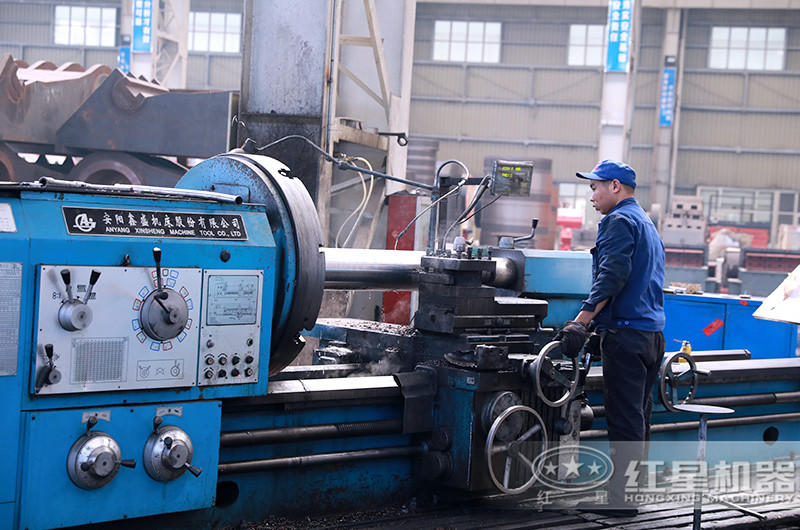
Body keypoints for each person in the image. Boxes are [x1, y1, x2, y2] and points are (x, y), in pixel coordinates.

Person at [555, 159, 666, 516]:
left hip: (627, 335)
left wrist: (580, 322)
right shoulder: (644, 221)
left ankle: (622, 501)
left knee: (624, 419)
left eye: (595, 187)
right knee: (639, 418)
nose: (591, 194)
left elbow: (612, 275)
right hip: (651, 335)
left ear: (615, 186)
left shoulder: (618, 221)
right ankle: (629, 493)